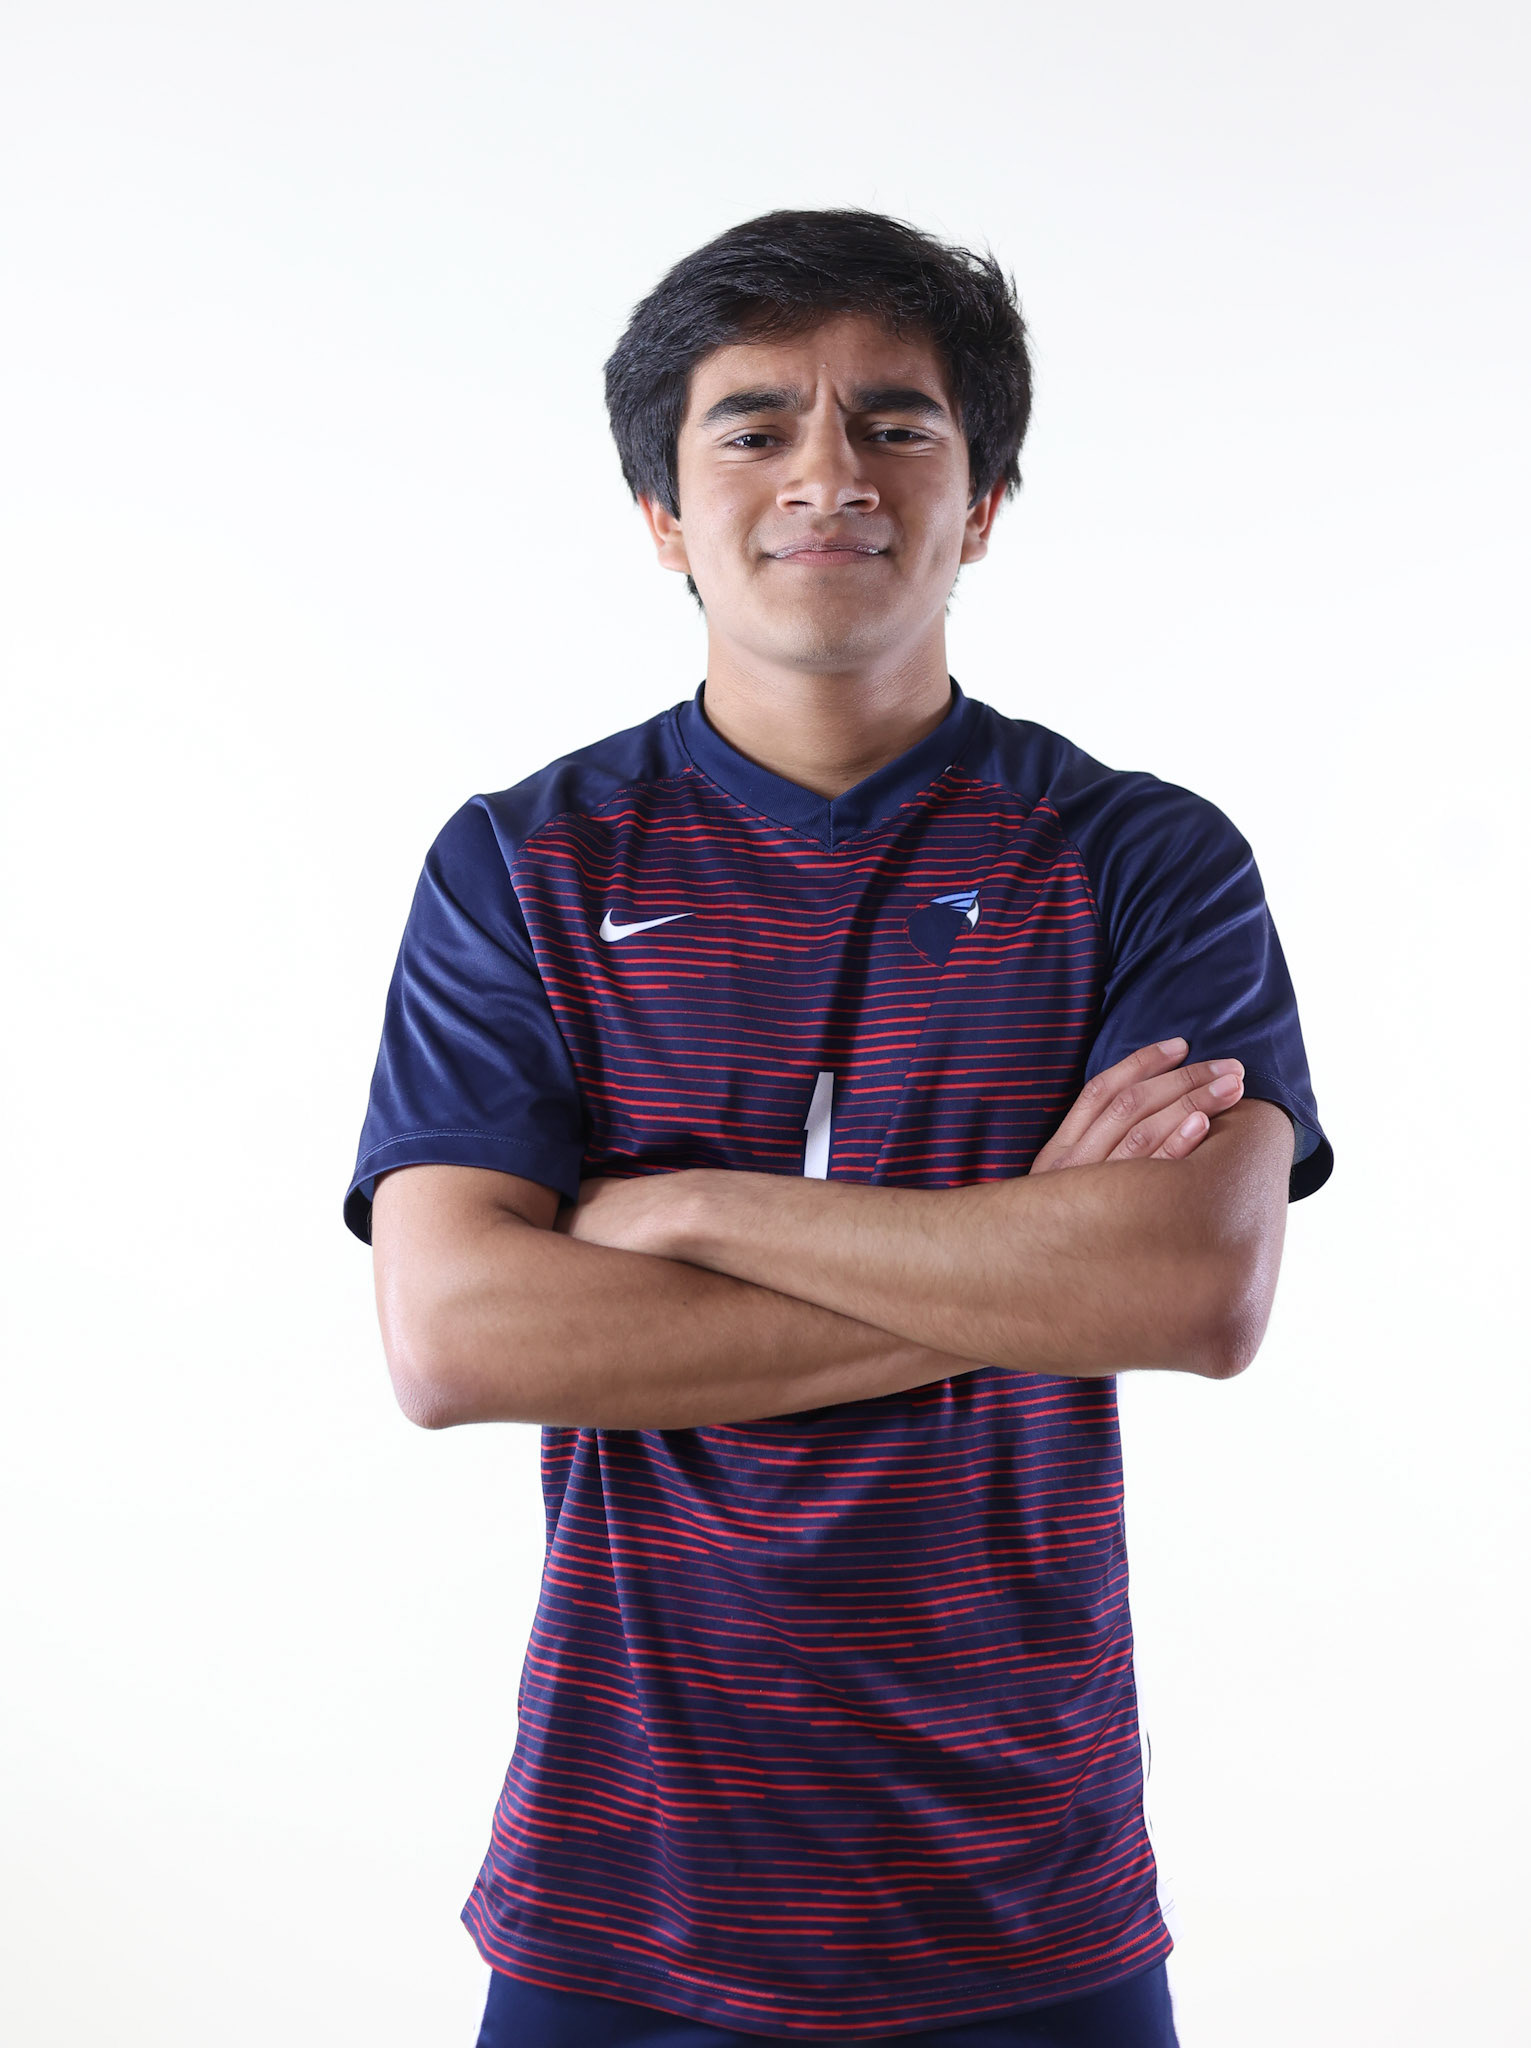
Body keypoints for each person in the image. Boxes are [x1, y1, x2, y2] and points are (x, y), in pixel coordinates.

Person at [343, 208, 1333, 2048]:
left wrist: (676, 1210)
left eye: (896, 424)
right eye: (754, 427)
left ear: (983, 502)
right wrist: (1031, 1257)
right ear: (661, 512)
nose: (827, 474)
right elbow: (459, 1335)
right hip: (615, 1890)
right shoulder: (523, 866)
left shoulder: (1140, 859)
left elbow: (1194, 1292)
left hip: (1028, 1893)